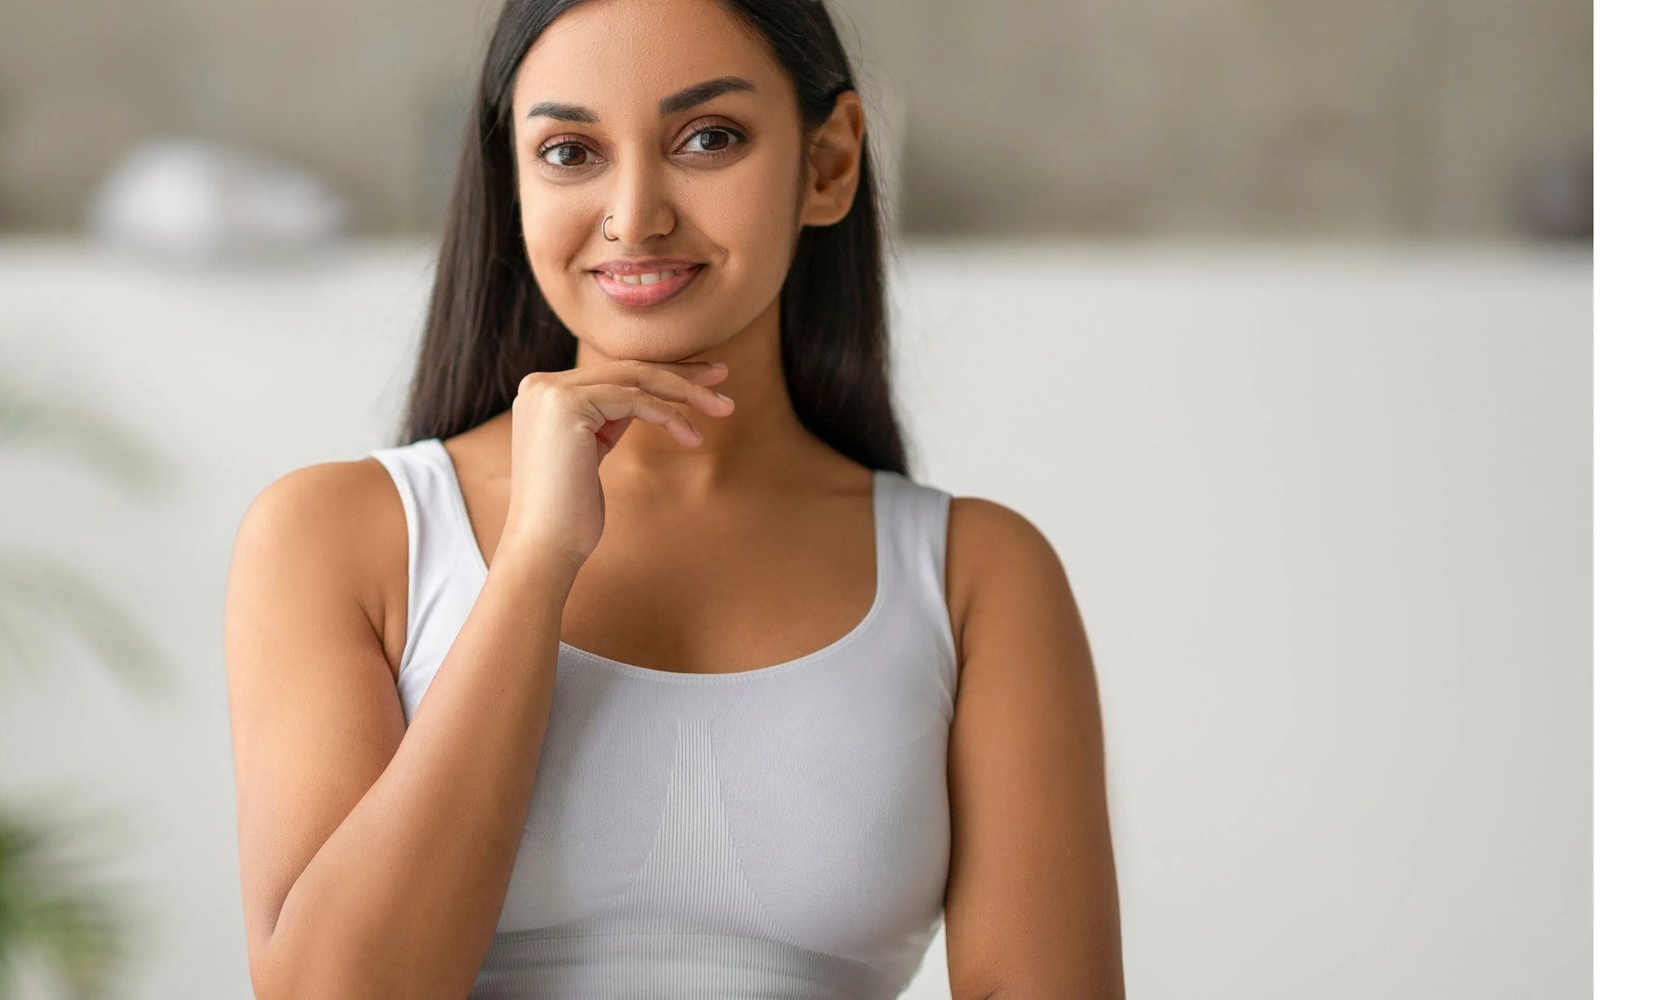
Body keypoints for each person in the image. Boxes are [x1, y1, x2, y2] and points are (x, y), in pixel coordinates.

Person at [224, 0, 1124, 996]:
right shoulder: (337, 534)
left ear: (826, 165)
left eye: (707, 138)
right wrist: (531, 565)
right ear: (510, 181)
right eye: (569, 152)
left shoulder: (974, 576)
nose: (634, 214)